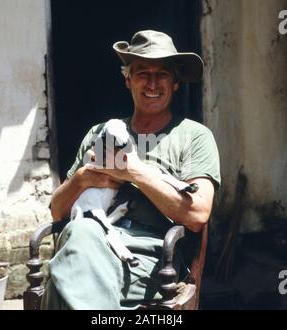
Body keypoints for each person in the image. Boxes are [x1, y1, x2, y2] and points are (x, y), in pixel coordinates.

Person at [41, 30, 221, 310]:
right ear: (127, 79)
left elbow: (197, 215)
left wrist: (133, 172)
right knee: (82, 236)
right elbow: (58, 211)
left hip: (150, 262)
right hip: (88, 243)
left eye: (162, 74)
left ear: (175, 83)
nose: (152, 82)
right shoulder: (100, 134)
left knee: (63, 277)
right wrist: (83, 177)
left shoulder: (193, 136)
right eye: (142, 72)